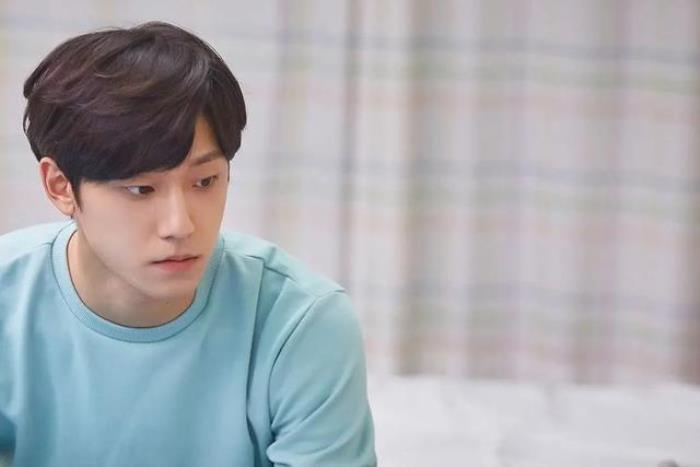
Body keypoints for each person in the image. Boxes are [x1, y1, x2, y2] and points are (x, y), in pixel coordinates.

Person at [0, 21, 376, 467]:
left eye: (205, 181)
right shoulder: (8, 301)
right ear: (60, 185)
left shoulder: (302, 323)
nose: (180, 225)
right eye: (141, 189)